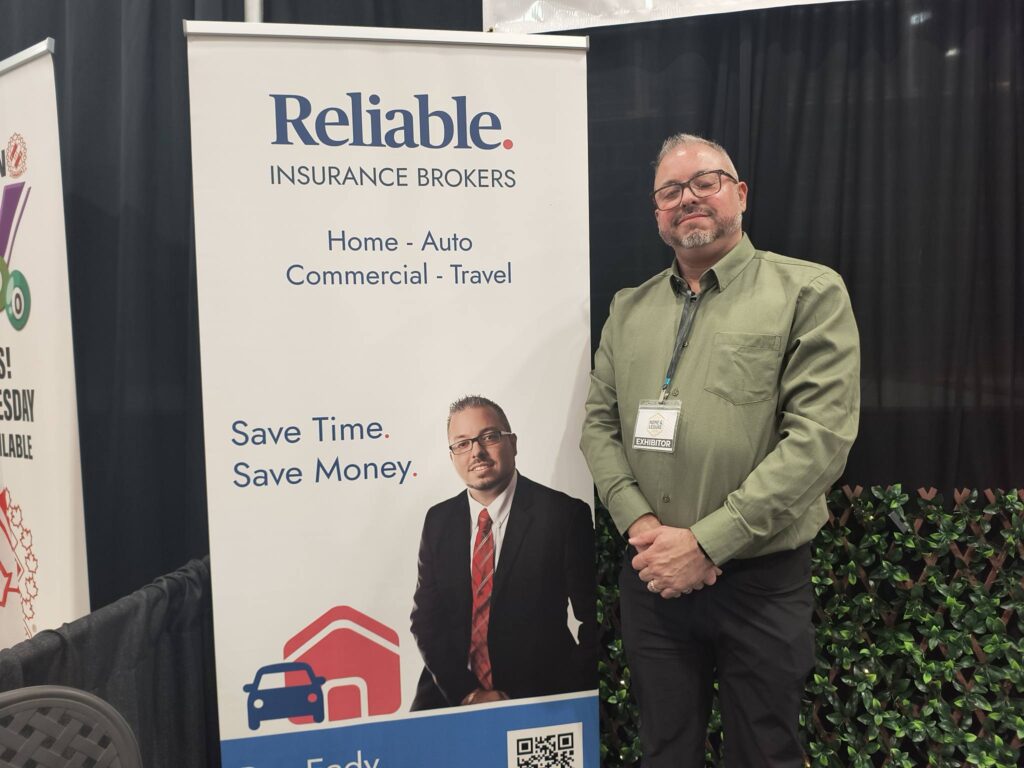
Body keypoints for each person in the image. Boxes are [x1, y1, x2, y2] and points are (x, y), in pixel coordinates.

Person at [580, 133, 860, 766]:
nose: (688, 199)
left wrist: (707, 544)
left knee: (765, 752)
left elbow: (820, 440)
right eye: (670, 191)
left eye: (705, 182)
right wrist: (644, 529)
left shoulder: (807, 292)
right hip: (653, 578)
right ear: (657, 212)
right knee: (665, 751)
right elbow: (598, 426)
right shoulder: (628, 309)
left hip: (758, 581)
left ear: (741, 194)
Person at [410, 395, 597, 710]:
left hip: (540, 696)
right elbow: (426, 619)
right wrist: (467, 693)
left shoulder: (563, 516)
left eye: (489, 437)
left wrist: (569, 694)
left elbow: (594, 620)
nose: (476, 452)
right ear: (452, 456)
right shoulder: (439, 520)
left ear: (513, 443)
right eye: (462, 444)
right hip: (452, 692)